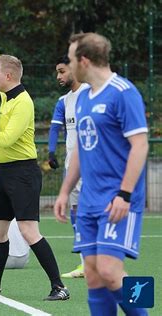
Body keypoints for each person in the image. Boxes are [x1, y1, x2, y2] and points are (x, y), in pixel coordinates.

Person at [0, 17, 69, 301]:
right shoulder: (7, 97)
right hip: (5, 173)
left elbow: (7, 139)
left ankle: (59, 286)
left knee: (28, 231)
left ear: (8, 77)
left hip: (23, 173)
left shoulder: (23, 102)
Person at [54, 32, 149, 315]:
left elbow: (140, 146)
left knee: (109, 270)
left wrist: (125, 194)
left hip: (117, 199)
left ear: (83, 61)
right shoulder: (83, 98)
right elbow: (82, 150)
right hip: (89, 200)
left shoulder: (123, 92)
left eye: (70, 61)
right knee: (94, 275)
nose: (69, 66)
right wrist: (64, 190)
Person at [48, 55, 89, 278]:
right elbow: (55, 128)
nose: (58, 76)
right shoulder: (63, 101)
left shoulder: (91, 93)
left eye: (62, 71)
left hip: (92, 166)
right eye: (57, 72)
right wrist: (51, 152)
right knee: (76, 211)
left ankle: (97, 262)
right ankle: (85, 263)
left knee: (91, 212)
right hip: (71, 168)